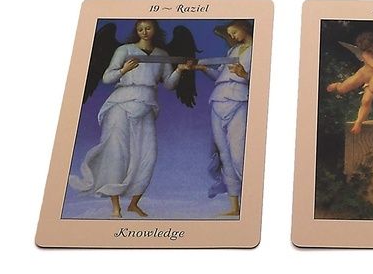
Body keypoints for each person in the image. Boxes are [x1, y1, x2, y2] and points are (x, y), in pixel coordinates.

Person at [69, 19, 192, 218]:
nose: (144, 31)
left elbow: (169, 84)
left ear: (155, 30)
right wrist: (124, 70)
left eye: (148, 28)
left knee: (148, 156)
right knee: (116, 153)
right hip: (121, 104)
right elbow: (107, 78)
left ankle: (133, 204)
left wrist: (179, 70)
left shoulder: (162, 55)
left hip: (147, 105)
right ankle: (115, 208)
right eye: (140, 28)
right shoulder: (124, 50)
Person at [200, 21, 253, 217]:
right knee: (225, 154)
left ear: (244, 28)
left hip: (239, 99)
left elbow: (263, 79)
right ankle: (234, 206)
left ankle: (251, 201)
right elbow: (219, 75)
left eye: (234, 32)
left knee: (239, 153)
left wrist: (245, 75)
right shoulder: (232, 51)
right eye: (229, 34)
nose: (232, 36)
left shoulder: (257, 49)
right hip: (218, 99)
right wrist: (204, 69)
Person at [327, 31, 373, 133]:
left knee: (366, 101)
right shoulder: (366, 54)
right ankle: (338, 85)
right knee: (342, 89)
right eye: (369, 50)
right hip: (364, 74)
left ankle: (358, 122)